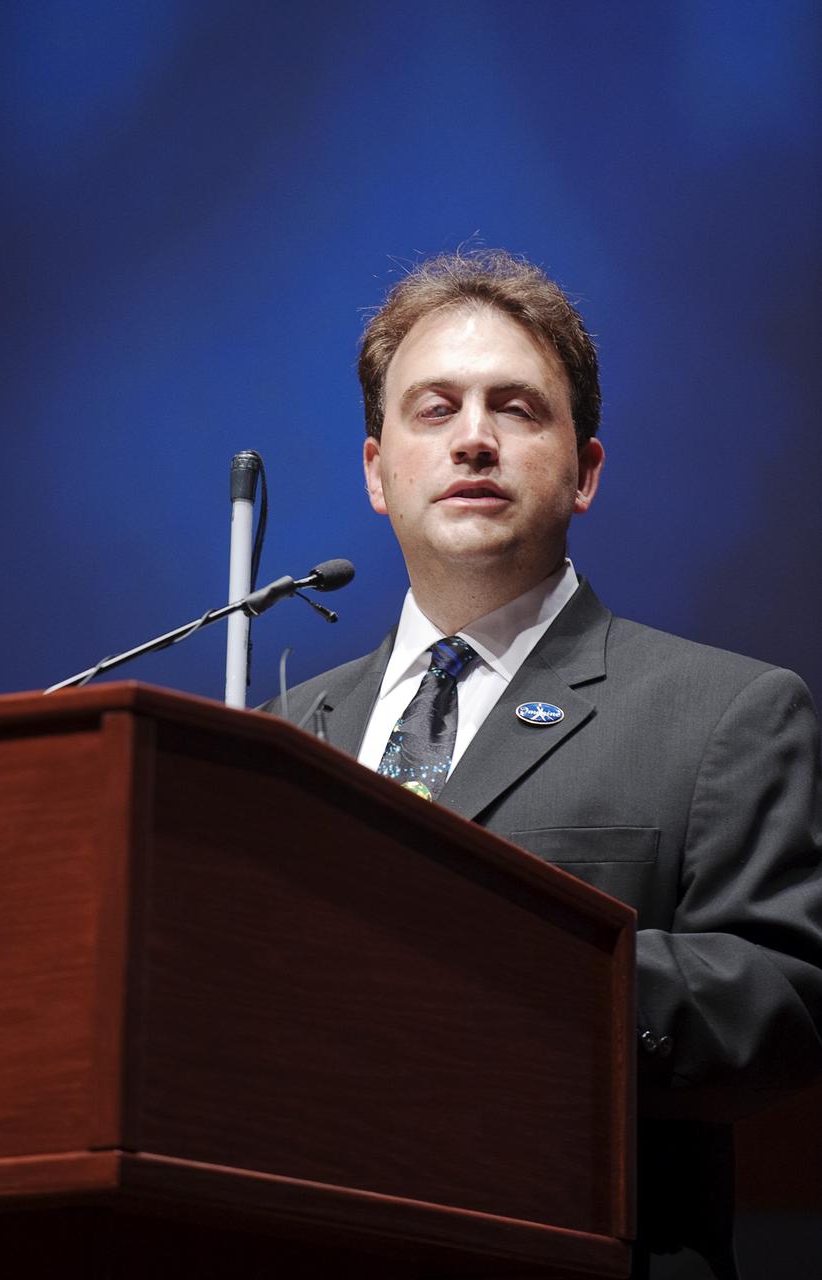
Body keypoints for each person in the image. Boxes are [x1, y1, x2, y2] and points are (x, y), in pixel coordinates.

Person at [267, 251, 822, 1278]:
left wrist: (506, 969)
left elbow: (785, 1001)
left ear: (585, 470)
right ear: (377, 472)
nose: (474, 437)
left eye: (516, 408)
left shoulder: (724, 712)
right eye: (435, 409)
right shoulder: (281, 738)